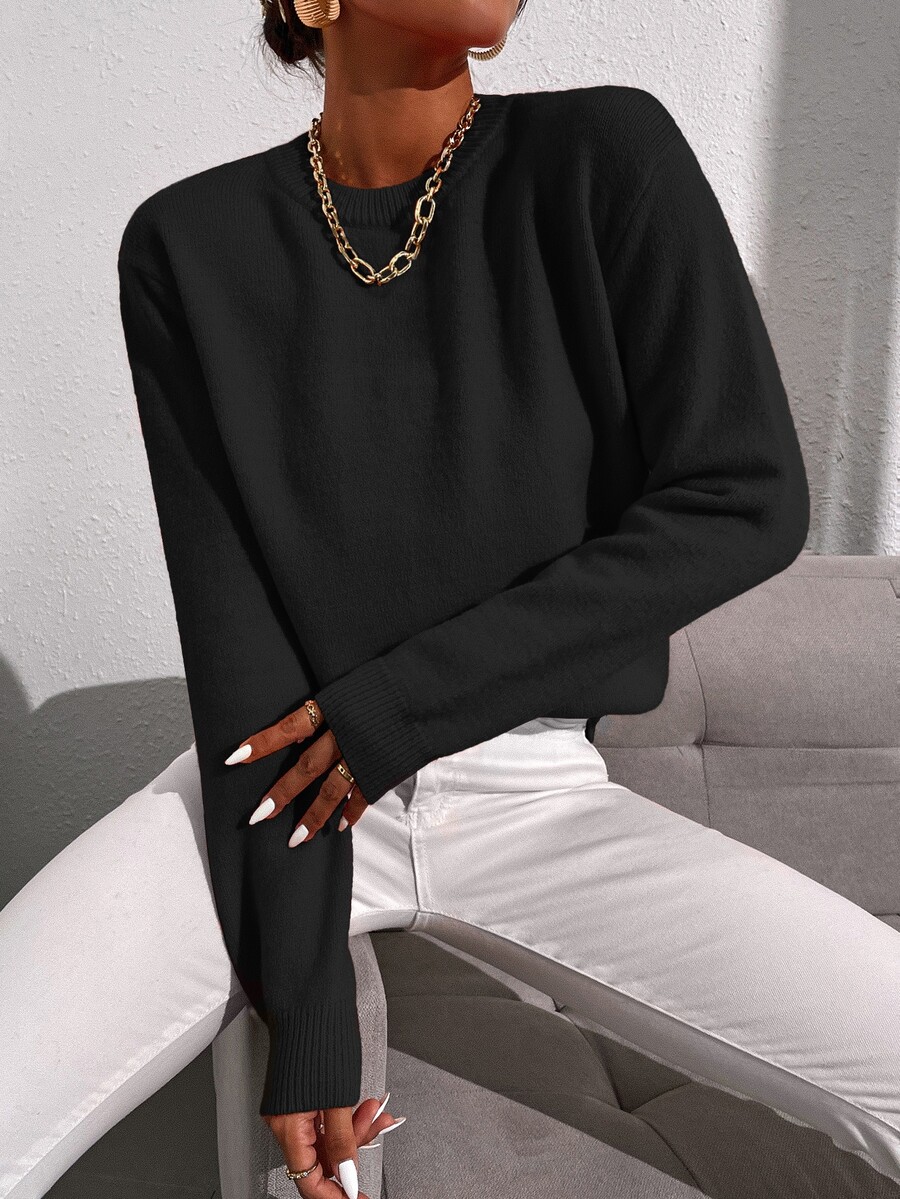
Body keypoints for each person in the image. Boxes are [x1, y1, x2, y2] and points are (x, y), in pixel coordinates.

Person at [4, 1, 900, 1197]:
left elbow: (746, 497)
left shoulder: (604, 157)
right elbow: (240, 643)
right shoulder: (188, 245)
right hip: (290, 784)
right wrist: (307, 1016)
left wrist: (399, 710)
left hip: (536, 794)